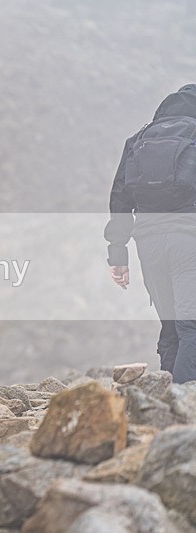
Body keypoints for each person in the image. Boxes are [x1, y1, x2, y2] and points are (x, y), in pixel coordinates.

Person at [105, 84, 196, 384]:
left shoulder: (139, 140)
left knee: (171, 329)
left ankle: (166, 403)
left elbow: (120, 198)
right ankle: (183, 409)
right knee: (191, 327)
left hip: (149, 243)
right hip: (188, 241)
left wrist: (118, 254)